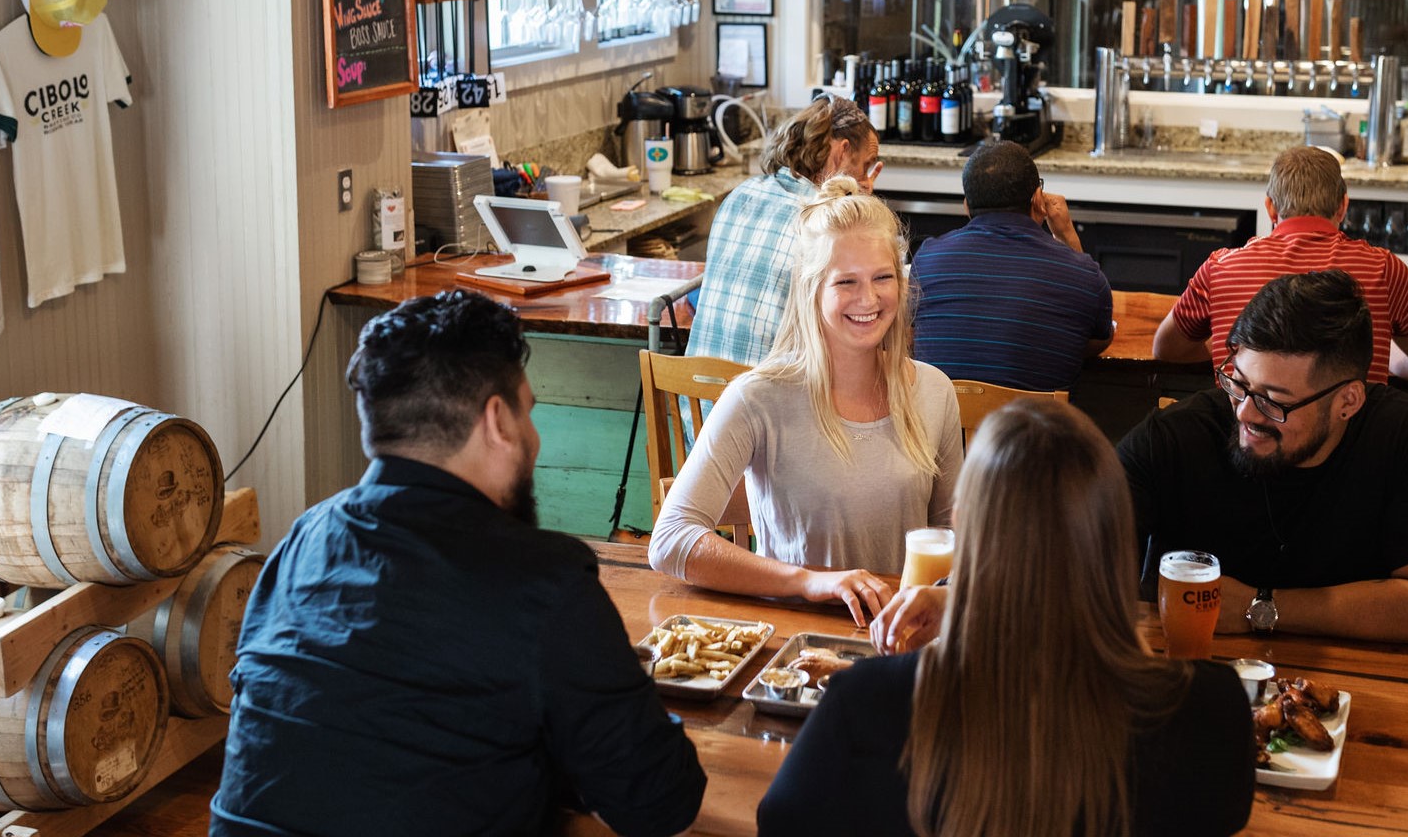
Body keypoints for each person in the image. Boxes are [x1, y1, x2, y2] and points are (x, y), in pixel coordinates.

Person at [212, 292, 705, 837]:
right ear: (497, 420)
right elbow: (661, 802)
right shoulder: (545, 581)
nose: (535, 437)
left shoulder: (301, 541)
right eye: (528, 411)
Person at [758, 399, 1254, 837]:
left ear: (963, 526)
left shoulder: (863, 701)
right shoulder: (1214, 711)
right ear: (1118, 531)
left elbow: (780, 821)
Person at [650, 177, 963, 624]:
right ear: (810, 290)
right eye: (846, 282)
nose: (868, 299)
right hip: (795, 637)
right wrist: (809, 582)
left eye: (882, 277)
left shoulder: (935, 390)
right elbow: (670, 540)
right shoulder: (756, 398)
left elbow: (954, 535)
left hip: (900, 636)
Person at [1119, 270, 1408, 646]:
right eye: (1238, 382)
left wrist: (1260, 607)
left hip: (1351, 678)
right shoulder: (1170, 439)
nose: (1244, 412)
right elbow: (1085, 572)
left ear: (1347, 402)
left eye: (1273, 401)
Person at [1151, 146, 1408, 384]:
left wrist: (1230, 352)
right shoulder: (1383, 268)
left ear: (1270, 207)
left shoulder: (1220, 268)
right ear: (1343, 206)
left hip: (1246, 439)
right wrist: (1386, 357)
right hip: (1351, 443)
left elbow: (1165, 349)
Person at [687, 95, 881, 366]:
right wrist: (859, 207)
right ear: (842, 152)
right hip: (767, 389)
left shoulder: (741, 193)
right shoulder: (823, 219)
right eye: (865, 165)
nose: (864, 177)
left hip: (693, 387)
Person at [910, 141, 1113, 392]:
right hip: (1035, 419)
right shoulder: (1082, 273)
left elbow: (911, 336)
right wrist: (1067, 235)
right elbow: (1098, 336)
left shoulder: (927, 258)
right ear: (1037, 199)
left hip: (941, 418)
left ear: (966, 206)